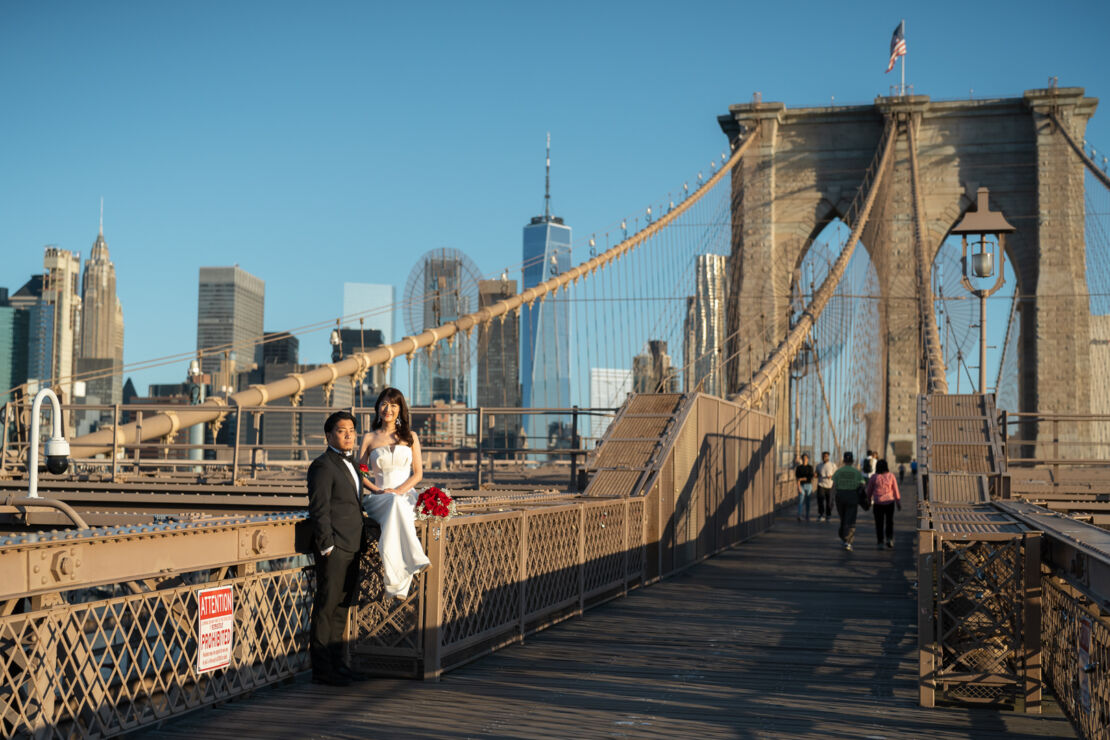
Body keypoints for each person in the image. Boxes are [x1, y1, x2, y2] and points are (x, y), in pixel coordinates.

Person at [307, 410, 369, 686]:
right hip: (335, 547)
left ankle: (338, 665)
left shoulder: (352, 463)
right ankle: (322, 671)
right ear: (329, 435)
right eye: (342, 431)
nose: (348, 435)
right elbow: (319, 510)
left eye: (352, 431)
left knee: (342, 608)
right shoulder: (322, 466)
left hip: (353, 544)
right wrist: (326, 546)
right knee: (326, 607)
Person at [359, 387, 432, 600]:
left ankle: (395, 584)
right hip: (378, 496)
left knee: (397, 506)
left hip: (405, 495)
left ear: (400, 409)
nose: (387, 409)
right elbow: (359, 473)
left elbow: (418, 474)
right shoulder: (369, 438)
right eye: (384, 404)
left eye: (393, 405)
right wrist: (378, 490)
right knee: (393, 504)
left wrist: (399, 491)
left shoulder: (411, 437)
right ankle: (414, 559)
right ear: (377, 407)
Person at [833, 451, 866, 551]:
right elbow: (863, 484)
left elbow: (833, 486)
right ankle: (848, 541)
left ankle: (843, 537)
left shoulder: (838, 471)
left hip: (840, 497)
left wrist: (830, 500)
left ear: (843, 460)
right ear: (852, 461)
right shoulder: (856, 472)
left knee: (843, 518)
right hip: (852, 497)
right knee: (851, 520)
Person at [866, 458, 902, 548]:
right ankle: (889, 539)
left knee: (879, 523)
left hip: (878, 504)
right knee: (889, 522)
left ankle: (880, 542)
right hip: (889, 503)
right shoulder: (891, 476)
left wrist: (869, 501)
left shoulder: (874, 477)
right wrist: (898, 502)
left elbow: (869, 491)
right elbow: (895, 490)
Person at [815, 451, 836, 523]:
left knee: (829, 501)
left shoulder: (833, 465)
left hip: (830, 485)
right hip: (821, 484)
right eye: (824, 456)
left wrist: (831, 476)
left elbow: (836, 475)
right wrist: (815, 475)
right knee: (820, 500)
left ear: (828, 457)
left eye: (826, 456)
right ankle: (821, 515)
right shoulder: (819, 465)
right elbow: (816, 474)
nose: (825, 457)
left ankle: (828, 515)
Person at [794, 453, 814, 521]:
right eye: (803, 458)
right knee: (801, 501)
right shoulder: (799, 468)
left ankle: (807, 516)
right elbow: (797, 478)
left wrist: (801, 479)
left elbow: (810, 477)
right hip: (801, 486)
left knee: (808, 502)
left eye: (806, 458)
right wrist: (798, 487)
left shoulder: (810, 467)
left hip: (809, 486)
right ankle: (799, 515)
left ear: (808, 459)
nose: (804, 459)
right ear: (801, 459)